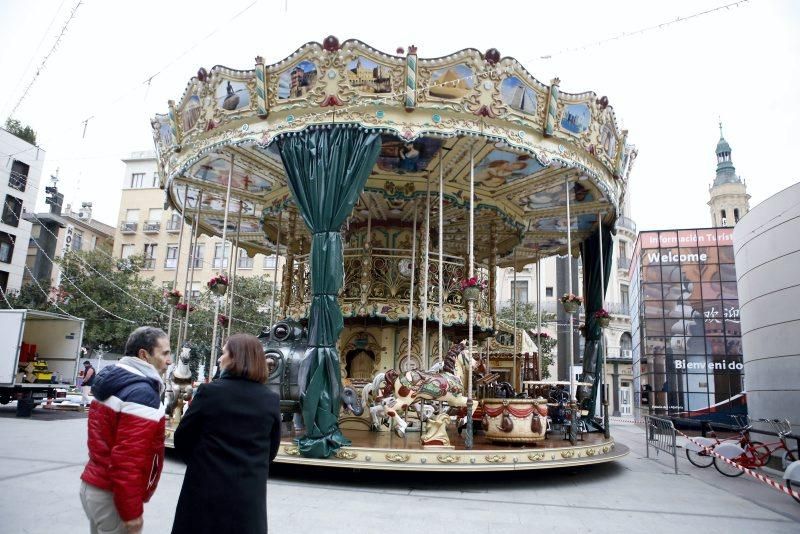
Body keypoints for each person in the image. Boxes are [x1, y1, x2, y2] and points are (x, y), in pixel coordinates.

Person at [172, 334, 282, 534]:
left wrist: (202, 463)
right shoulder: (270, 400)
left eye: (223, 353)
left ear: (236, 358)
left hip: (204, 490)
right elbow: (271, 450)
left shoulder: (209, 392)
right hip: (248, 494)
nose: (220, 359)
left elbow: (183, 438)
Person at [79, 327, 171, 534]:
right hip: (111, 496)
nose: (170, 360)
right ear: (144, 355)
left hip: (95, 486)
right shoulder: (141, 393)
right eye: (164, 353)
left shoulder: (118, 381)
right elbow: (127, 459)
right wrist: (131, 512)